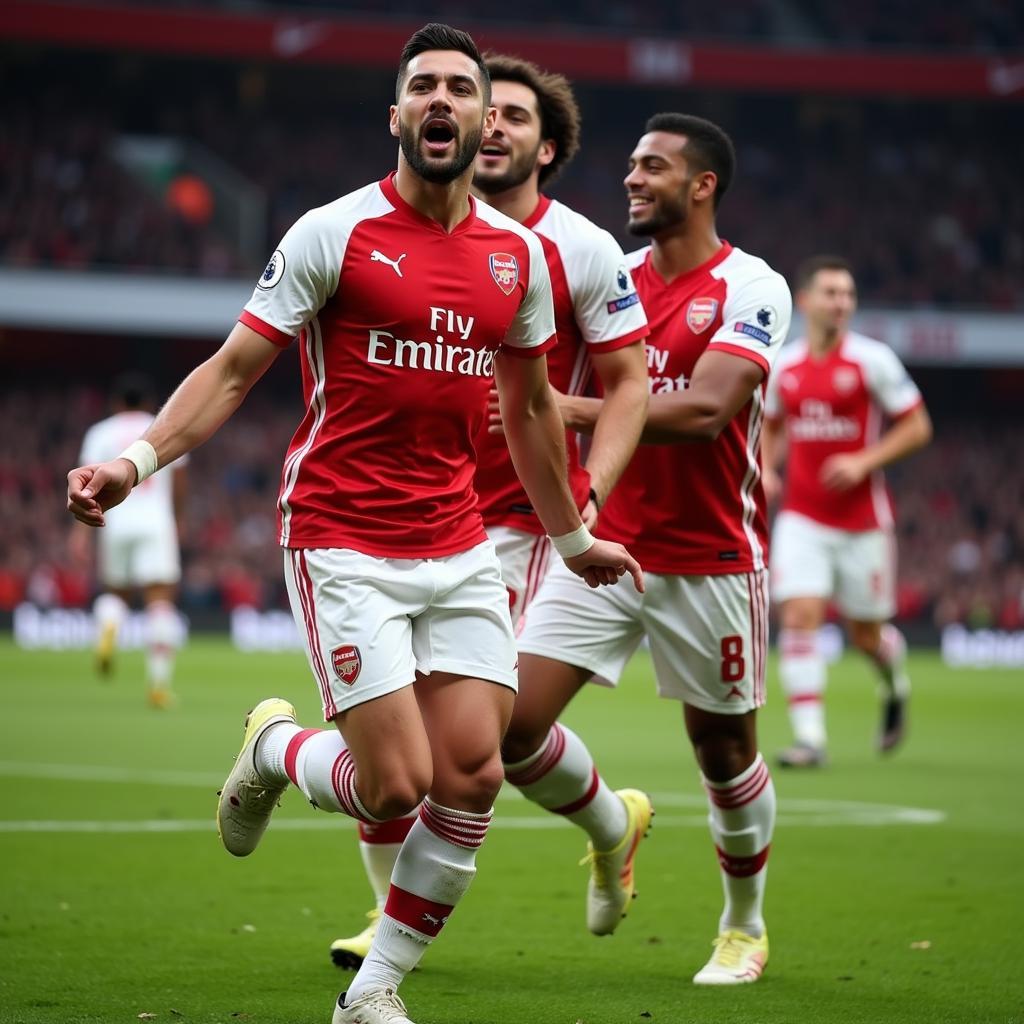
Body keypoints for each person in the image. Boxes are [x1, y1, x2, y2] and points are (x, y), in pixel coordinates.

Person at [67, 24, 642, 1024]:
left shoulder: (520, 259)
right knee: (392, 787)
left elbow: (532, 409)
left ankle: (370, 995)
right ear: (396, 115)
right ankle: (274, 748)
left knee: (469, 772)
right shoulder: (333, 232)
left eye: (461, 89)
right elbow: (236, 367)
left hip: (460, 542)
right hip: (340, 536)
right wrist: (135, 460)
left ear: (480, 121)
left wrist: (574, 531)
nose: (442, 102)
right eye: (422, 86)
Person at [329, 51, 650, 972]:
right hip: (396, 516)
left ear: (544, 147)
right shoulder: (383, 231)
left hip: (519, 519)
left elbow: (627, 386)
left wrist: (584, 496)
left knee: (480, 739)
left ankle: (598, 822)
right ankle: (392, 915)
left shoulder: (577, 248)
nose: (495, 126)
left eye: (514, 116)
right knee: (396, 726)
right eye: (487, 109)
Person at [501, 113, 792, 985]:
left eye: (653, 167)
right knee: (510, 731)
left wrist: (575, 411)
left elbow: (707, 412)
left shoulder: (752, 285)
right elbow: (531, 380)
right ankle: (610, 825)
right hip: (606, 549)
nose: (632, 178)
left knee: (722, 751)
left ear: (701, 185)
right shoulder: (609, 279)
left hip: (711, 559)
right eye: (630, 165)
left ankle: (744, 927)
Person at [761, 255, 932, 767]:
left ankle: (893, 681)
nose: (842, 303)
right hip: (802, 517)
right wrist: (768, 469)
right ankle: (810, 740)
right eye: (832, 293)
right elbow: (771, 425)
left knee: (865, 634)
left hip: (863, 523)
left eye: (849, 295)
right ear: (807, 301)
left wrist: (863, 461)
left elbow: (917, 426)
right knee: (799, 615)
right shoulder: (784, 367)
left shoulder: (871, 360)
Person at [69, 372, 186, 708]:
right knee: (160, 600)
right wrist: (178, 519)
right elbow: (180, 477)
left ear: (116, 403)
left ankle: (108, 625)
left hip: (115, 522)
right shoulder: (162, 425)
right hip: (155, 523)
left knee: (117, 593)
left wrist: (79, 533)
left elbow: (85, 486)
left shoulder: (100, 432)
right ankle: (159, 685)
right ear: (150, 403)